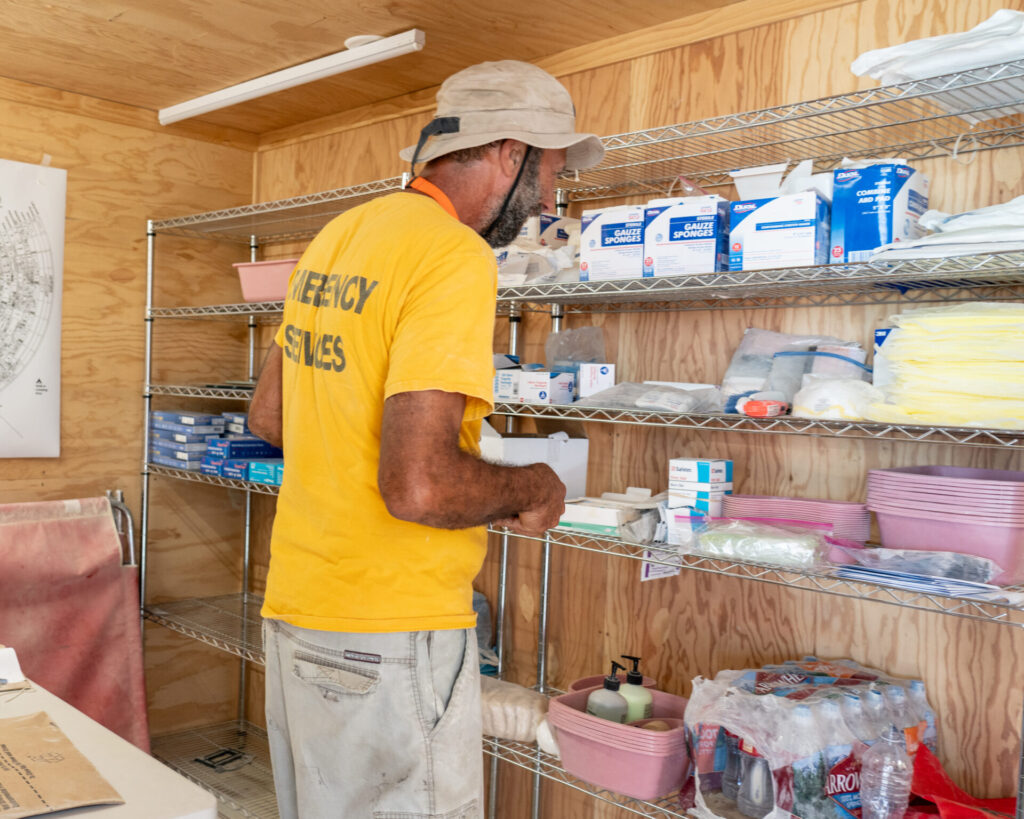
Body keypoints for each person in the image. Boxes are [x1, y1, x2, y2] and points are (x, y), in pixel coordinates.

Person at [247, 60, 604, 819]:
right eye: (546, 171)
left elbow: (270, 418)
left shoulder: (340, 236)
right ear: (509, 151)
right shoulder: (451, 254)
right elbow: (421, 486)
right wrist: (531, 485)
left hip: (298, 612)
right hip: (388, 628)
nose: (547, 198)